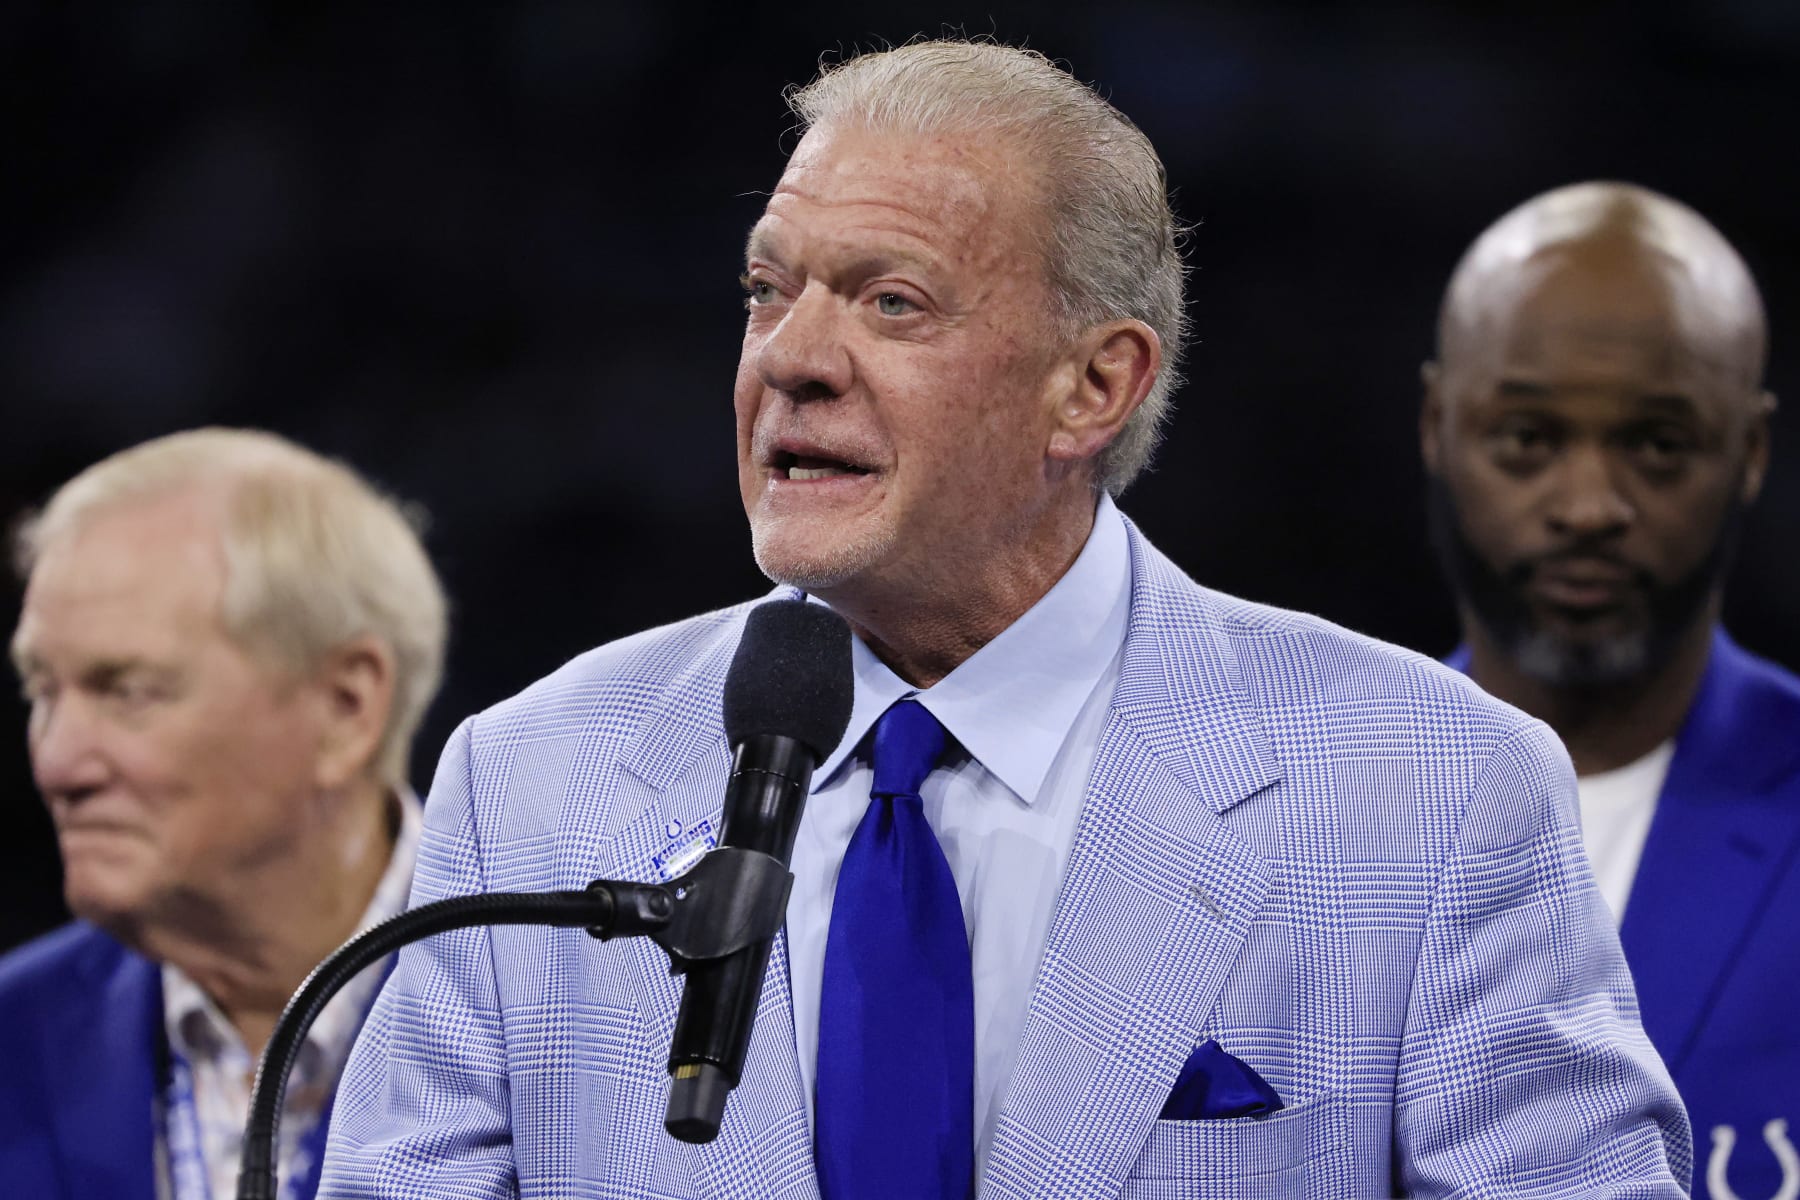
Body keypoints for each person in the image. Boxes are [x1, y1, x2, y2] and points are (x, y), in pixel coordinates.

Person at [324, 42, 1688, 1199]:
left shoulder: (1436, 790)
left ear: (1092, 388)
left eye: (889, 302)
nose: (791, 358)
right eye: (767, 289)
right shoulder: (532, 783)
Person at [1423, 182, 1798, 1200]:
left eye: (1659, 446)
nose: (1589, 506)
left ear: (1750, 452)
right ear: (1438, 425)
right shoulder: (1304, 826)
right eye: (1528, 440)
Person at [0, 428, 449, 1200]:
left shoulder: (577, 1019)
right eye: (42, 693)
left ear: (345, 708)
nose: (58, 762)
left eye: (128, 691)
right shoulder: (12, 1038)